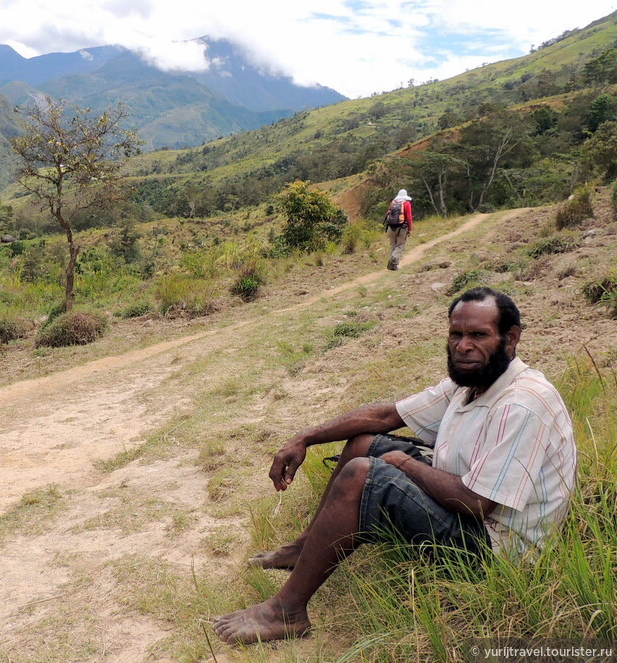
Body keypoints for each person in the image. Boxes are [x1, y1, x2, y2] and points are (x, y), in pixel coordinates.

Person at [213, 287, 576, 645]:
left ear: (510, 338)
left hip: (495, 551)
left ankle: (286, 612)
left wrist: (404, 463)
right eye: (456, 334)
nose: (463, 346)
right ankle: (301, 550)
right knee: (363, 444)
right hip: (471, 510)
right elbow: (386, 415)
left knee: (363, 474)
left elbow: (477, 502)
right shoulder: (472, 383)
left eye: (478, 335)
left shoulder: (522, 403)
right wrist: (304, 438)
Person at [384, 189, 413, 270]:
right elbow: (409, 218)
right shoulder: (407, 203)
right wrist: (410, 229)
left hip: (390, 227)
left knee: (393, 246)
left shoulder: (392, 203)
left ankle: (392, 265)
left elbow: (388, 215)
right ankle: (393, 260)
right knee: (400, 245)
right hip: (402, 228)